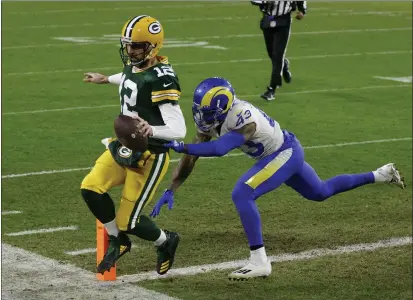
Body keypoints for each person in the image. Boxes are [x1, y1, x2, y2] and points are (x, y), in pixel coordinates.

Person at [149, 77, 405, 280]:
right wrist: (173, 187)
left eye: (207, 111)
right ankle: (380, 174)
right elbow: (193, 156)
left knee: (242, 193)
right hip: (279, 154)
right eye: (199, 110)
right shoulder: (214, 118)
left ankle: (259, 261)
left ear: (223, 107)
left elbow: (219, 149)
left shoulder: (242, 116)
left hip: (285, 153)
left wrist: (178, 146)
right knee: (321, 192)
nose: (202, 117)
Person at [80, 15, 186, 275]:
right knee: (91, 188)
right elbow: (130, 77)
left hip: (150, 155)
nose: (130, 50)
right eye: (127, 44)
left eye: (136, 46)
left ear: (153, 46)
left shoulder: (162, 78)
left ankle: (166, 240)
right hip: (124, 145)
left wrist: (152, 129)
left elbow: (179, 130)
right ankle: (119, 239)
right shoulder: (135, 64)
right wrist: (105, 79)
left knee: (130, 220)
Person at [251, 1, 307, 101]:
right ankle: (284, 66)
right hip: (268, 19)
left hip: (284, 20)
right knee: (271, 53)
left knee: (278, 55)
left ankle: (272, 89)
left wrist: (302, 10)